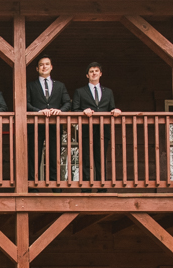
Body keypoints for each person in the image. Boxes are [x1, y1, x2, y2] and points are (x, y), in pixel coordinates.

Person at [72, 62, 121, 192]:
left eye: (96, 71)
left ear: (100, 74)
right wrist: (83, 112)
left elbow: (111, 108)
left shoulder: (108, 92)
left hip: (103, 130)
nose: (94, 73)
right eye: (91, 71)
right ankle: (86, 188)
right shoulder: (80, 91)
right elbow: (74, 110)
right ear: (87, 75)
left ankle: (102, 187)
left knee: (101, 159)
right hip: (86, 130)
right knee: (86, 159)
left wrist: (116, 111)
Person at [27, 55, 71, 192]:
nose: (44, 66)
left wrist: (59, 110)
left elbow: (67, 103)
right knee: (34, 155)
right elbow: (26, 104)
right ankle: (33, 186)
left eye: (47, 64)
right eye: (41, 65)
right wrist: (40, 111)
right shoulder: (30, 85)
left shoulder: (60, 85)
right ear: (37, 68)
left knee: (55, 154)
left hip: (55, 125)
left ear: (51, 67)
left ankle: (55, 186)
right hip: (35, 125)